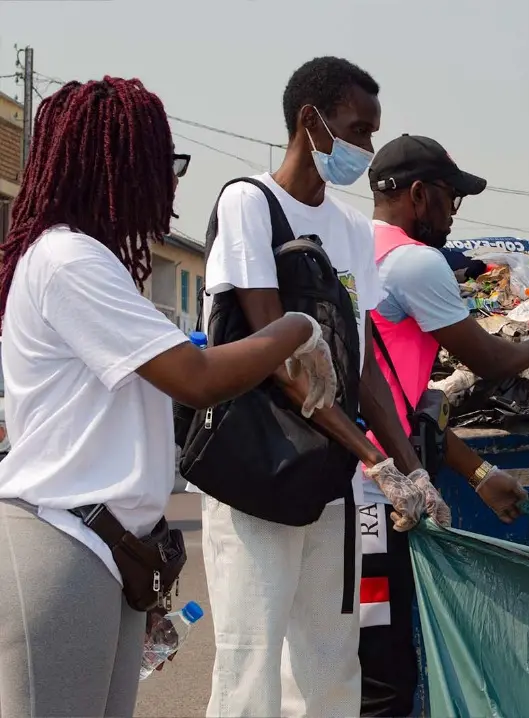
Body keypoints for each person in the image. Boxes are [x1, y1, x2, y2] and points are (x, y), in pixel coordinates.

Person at [0, 77, 337, 718]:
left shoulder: (93, 264)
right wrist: (297, 326)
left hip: (104, 551)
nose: (173, 183)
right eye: (165, 164)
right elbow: (199, 377)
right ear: (116, 167)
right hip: (62, 544)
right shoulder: (69, 260)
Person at [198, 58, 445, 718]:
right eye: (356, 130)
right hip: (255, 475)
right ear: (311, 122)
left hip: (325, 480)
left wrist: (414, 473)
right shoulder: (249, 202)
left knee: (331, 666)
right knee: (251, 670)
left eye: (372, 134)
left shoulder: (350, 230)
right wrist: (376, 460)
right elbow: (279, 352)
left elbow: (362, 367)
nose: (365, 149)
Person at [358, 133, 529, 716]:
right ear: (420, 194)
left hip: (372, 481)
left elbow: (405, 408)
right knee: (381, 679)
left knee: (362, 662)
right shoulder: (414, 261)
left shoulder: (355, 249)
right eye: (452, 199)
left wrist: (478, 473)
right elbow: (493, 363)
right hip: (372, 497)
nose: (454, 214)